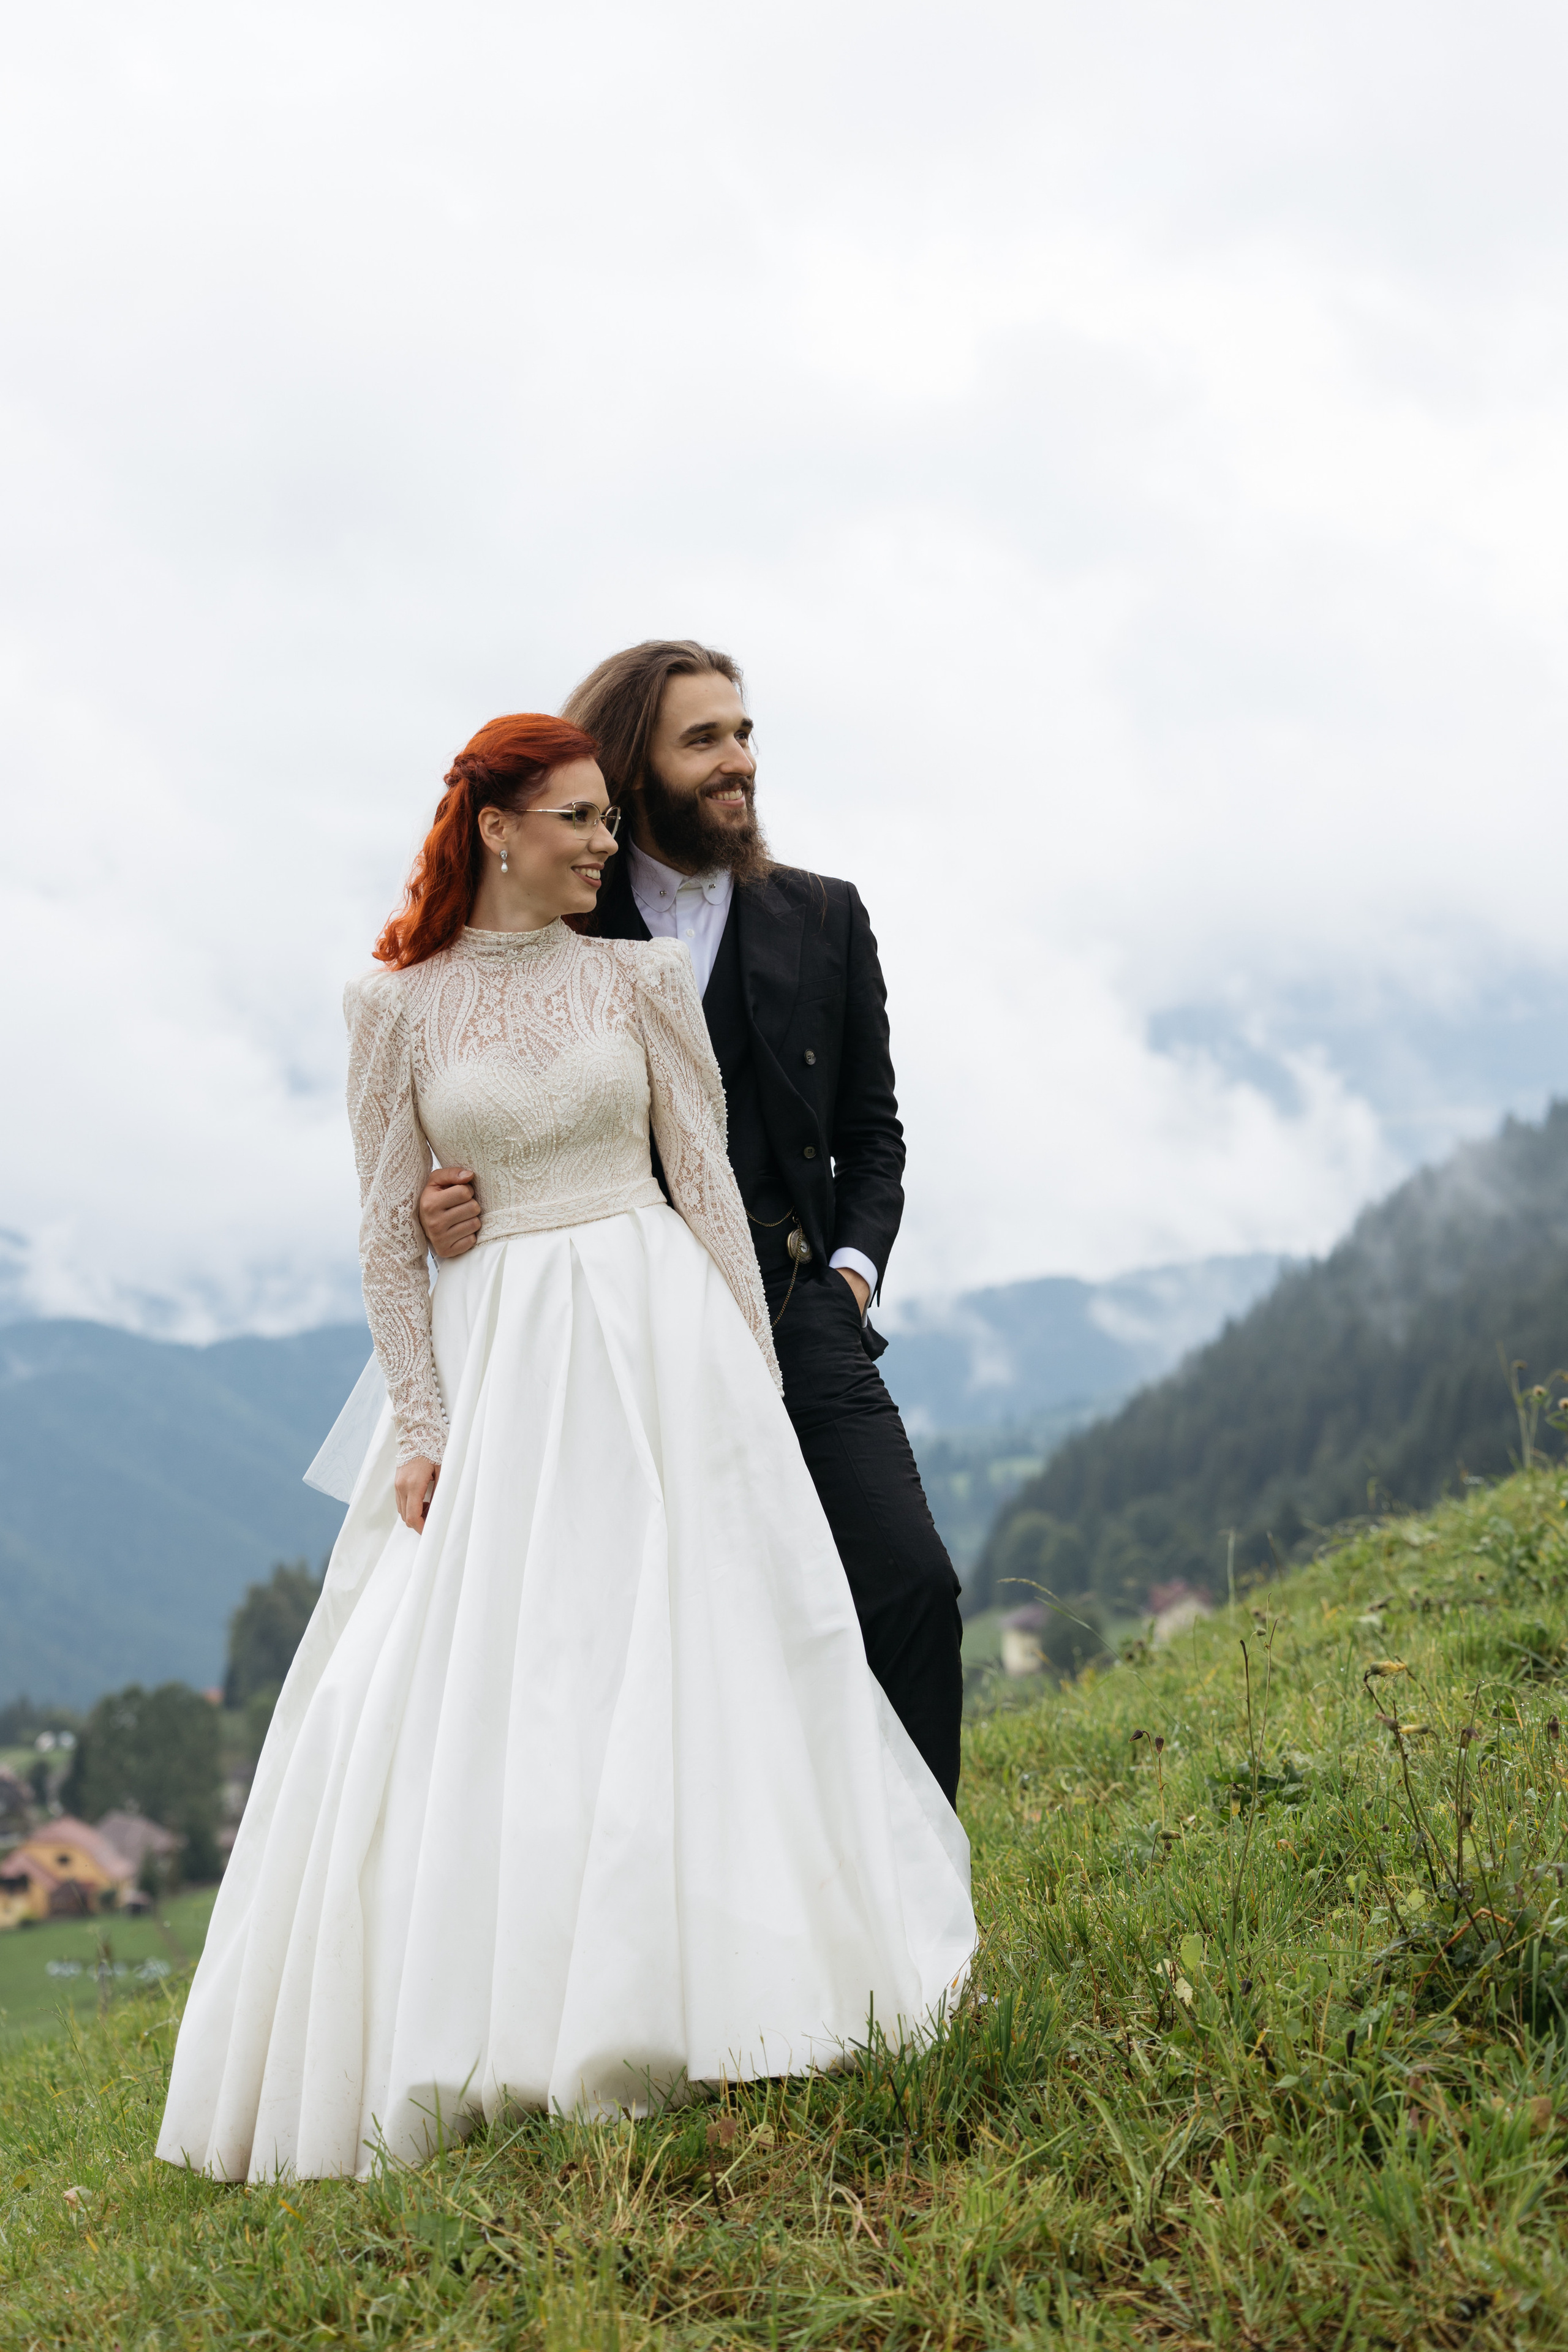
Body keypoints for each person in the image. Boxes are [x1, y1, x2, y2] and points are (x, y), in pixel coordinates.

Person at [156, 714, 974, 2184]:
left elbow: (703, 1183)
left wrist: (743, 1370)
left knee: (699, 1648)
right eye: (580, 820)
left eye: (609, 817)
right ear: (496, 828)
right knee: (510, 1670)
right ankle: (510, 2010)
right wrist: (421, 1425)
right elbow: (384, 1233)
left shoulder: (638, 979)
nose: (607, 844)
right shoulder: (390, 1005)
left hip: (659, 1328)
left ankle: (741, 1967)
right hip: (500, 1355)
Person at [420, 643, 965, 1801]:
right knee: (641, 1633)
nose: (739, 762)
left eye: (745, 734)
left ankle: (920, 1888)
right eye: (704, 740)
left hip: (791, 1298)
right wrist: (444, 1196)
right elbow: (466, 1069)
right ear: (633, 765)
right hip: (609, 1325)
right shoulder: (562, 899)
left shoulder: (823, 914)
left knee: (908, 1582)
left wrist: (851, 1276)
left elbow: (873, 1134)